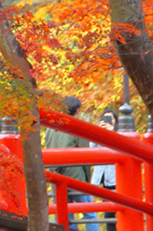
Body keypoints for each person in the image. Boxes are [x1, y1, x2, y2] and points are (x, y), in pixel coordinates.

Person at [46, 96, 92, 230]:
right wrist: (87, 179)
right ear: (77, 111)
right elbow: (86, 155)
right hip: (75, 176)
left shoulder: (50, 127)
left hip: (56, 176)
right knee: (89, 212)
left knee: (64, 215)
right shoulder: (77, 126)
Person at [90, 108, 118, 231]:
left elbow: (123, 147)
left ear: (116, 121)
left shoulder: (120, 134)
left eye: (111, 118)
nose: (108, 121)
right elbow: (92, 149)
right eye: (105, 118)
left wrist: (112, 132)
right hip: (103, 178)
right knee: (108, 212)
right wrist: (98, 132)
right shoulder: (99, 134)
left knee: (118, 211)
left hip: (116, 177)